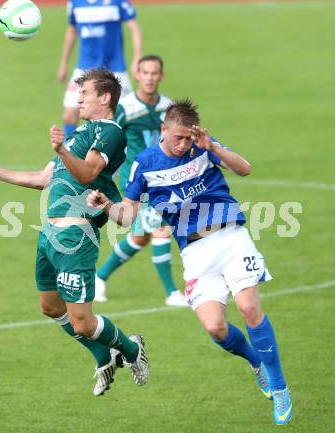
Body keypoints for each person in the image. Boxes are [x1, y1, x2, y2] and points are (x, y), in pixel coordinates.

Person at [86, 99, 293, 424]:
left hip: (231, 237)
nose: (184, 144)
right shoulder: (146, 163)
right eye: (178, 137)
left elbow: (245, 168)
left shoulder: (202, 146)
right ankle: (256, 361)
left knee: (249, 308)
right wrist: (106, 207)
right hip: (195, 252)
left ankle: (279, 387)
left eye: (188, 138)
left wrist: (214, 149)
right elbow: (127, 215)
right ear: (163, 130)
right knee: (215, 327)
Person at [0, 68, 149, 397]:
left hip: (76, 238)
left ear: (105, 98)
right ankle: (103, 355)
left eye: (85, 93)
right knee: (50, 307)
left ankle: (132, 349)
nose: (78, 98)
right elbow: (42, 178)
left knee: (82, 322)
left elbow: (88, 173)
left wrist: (62, 151)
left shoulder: (109, 133)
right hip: (49, 234)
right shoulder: (79, 133)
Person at [95, 55, 187, 307]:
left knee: (140, 237)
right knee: (162, 230)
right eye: (145, 73)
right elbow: (108, 135)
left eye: (154, 73)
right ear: (137, 75)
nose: (149, 78)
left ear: (161, 76)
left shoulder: (167, 107)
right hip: (138, 183)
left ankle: (99, 277)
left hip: (165, 181)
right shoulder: (125, 108)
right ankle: (171, 293)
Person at [57, 0, 142, 139]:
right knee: (69, 116)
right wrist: (64, 63)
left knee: (127, 116)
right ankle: (71, 156)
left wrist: (137, 57)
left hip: (115, 68)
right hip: (84, 68)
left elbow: (134, 28)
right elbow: (72, 30)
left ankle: (126, 154)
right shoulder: (75, 3)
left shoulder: (117, 2)